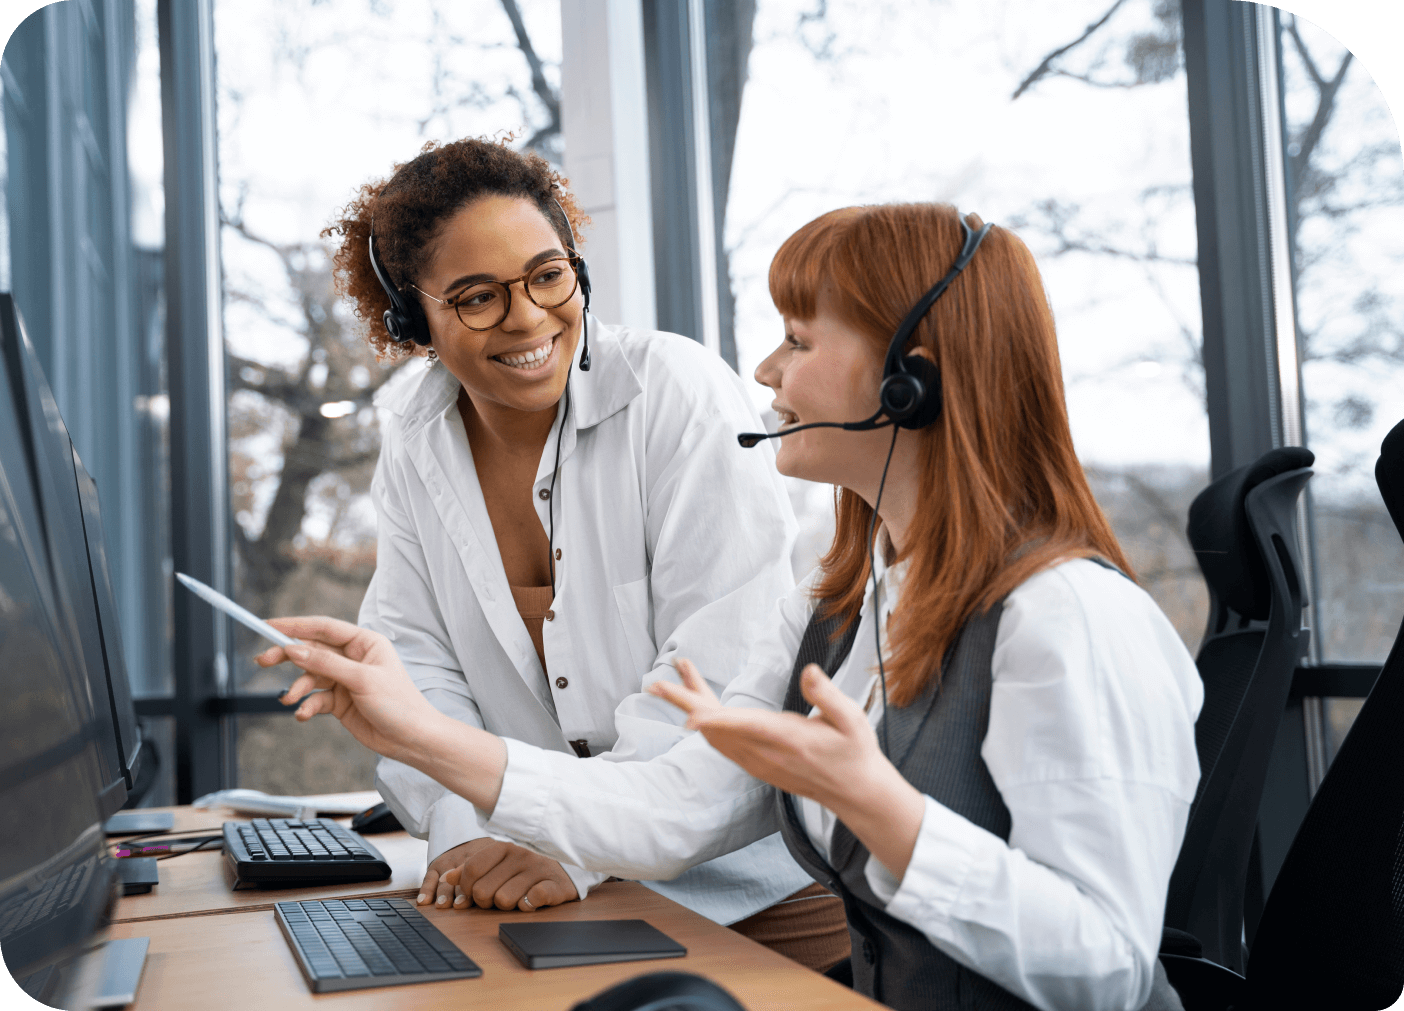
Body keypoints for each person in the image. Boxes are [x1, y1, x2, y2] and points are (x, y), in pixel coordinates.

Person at [271, 203, 1203, 1011]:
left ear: (906, 381)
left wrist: (889, 815)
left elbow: (1111, 974)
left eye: (798, 340)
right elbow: (676, 806)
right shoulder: (840, 594)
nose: (763, 368)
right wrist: (418, 734)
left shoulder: (1067, 619)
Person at [319, 137, 850, 970]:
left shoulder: (676, 392)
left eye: (546, 274)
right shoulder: (416, 440)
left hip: (741, 901)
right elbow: (418, 662)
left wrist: (569, 845)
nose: (528, 317)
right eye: (476, 297)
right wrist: (465, 835)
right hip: (531, 893)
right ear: (409, 318)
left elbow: (712, 679)